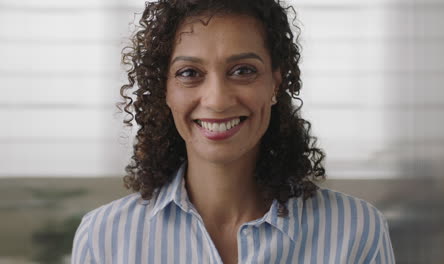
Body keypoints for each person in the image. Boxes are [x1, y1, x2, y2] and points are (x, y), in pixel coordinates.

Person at [71, 0, 395, 263]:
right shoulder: (104, 238)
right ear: (165, 91)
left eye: (243, 71)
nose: (217, 100)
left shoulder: (356, 231)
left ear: (274, 85)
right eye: (189, 73)